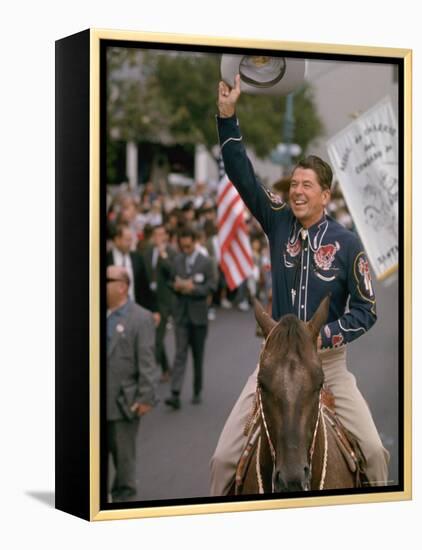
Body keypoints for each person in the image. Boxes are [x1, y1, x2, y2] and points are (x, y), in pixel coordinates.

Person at [210, 74, 389, 495]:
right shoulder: (277, 221)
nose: (297, 191)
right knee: (221, 461)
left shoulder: (348, 245)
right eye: (293, 184)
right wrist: (227, 114)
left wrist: (325, 335)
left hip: (328, 367)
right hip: (273, 365)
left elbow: (368, 309)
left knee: (377, 453)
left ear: (326, 194)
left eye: (307, 185)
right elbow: (242, 174)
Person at [106, 265, 158, 502]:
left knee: (123, 464)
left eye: (106, 279)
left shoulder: (140, 318)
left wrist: (145, 398)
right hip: (96, 402)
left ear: (122, 287)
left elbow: (147, 362)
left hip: (122, 404)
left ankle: (121, 505)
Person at [164, 226, 216, 409]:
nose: (185, 250)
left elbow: (212, 287)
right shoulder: (177, 260)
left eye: (188, 246)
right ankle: (175, 393)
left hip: (199, 316)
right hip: (181, 315)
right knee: (179, 354)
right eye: (182, 247)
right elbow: (170, 281)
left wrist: (194, 289)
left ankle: (197, 389)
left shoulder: (206, 262)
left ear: (194, 242)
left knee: (197, 355)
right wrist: (176, 286)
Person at [142, 224, 177, 382]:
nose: (158, 237)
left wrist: (163, 255)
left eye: (161, 234)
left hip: (164, 302)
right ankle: (166, 368)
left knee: (157, 338)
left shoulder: (170, 252)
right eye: (156, 234)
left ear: (166, 236)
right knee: (152, 336)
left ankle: (147, 373)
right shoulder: (148, 252)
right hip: (149, 300)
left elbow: (173, 273)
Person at [107, 224, 159, 321]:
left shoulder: (137, 258)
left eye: (131, 240)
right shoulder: (107, 259)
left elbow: (145, 287)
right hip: (111, 313)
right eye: (127, 240)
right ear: (116, 240)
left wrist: (154, 309)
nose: (130, 243)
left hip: (134, 311)